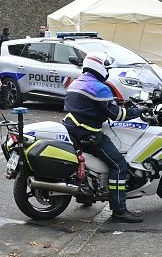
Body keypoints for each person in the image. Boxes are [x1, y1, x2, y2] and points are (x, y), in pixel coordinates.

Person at [62, 52, 146, 223]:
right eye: (105, 66)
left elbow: (90, 105)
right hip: (88, 133)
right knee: (118, 164)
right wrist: (138, 111)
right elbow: (115, 115)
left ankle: (85, 196)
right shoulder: (99, 87)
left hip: (71, 128)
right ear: (99, 67)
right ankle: (119, 210)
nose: (106, 69)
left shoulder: (77, 82)